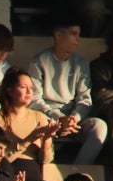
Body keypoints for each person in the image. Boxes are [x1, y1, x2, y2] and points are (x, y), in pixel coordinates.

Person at [28, 21, 106, 165]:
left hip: (73, 120)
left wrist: (74, 118)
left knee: (99, 126)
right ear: (58, 35)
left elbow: (84, 99)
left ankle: (78, 170)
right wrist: (60, 118)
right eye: (73, 34)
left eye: (79, 35)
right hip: (48, 117)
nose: (78, 40)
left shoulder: (81, 63)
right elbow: (35, 100)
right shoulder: (39, 61)